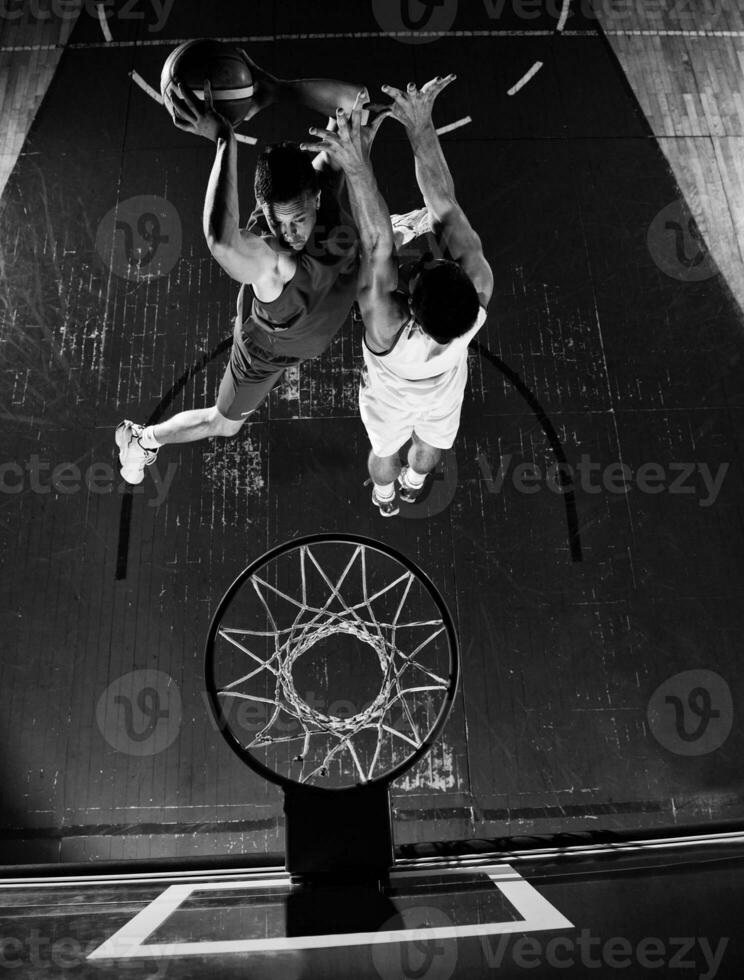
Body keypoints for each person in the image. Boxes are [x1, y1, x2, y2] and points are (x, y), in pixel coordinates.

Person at [115, 58, 382, 485]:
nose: (285, 232)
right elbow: (222, 242)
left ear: (315, 196)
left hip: (318, 313)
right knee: (224, 423)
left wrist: (280, 89)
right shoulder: (274, 260)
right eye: (273, 220)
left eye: (295, 219)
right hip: (267, 352)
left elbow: (357, 99)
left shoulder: (326, 178)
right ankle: (143, 439)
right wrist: (225, 139)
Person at [303, 77, 493, 516]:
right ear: (463, 281)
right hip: (444, 390)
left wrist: (355, 162)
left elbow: (377, 242)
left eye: (422, 269)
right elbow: (442, 203)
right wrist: (421, 126)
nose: (424, 260)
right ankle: (415, 480)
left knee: (383, 454)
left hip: (391, 398)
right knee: (431, 447)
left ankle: (385, 491)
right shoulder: (478, 288)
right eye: (436, 263)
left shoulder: (388, 324)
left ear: (411, 308)